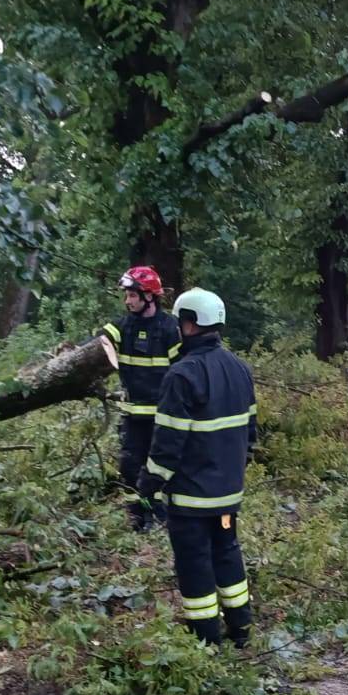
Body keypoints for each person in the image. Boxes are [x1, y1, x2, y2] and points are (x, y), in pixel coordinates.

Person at [137, 289, 258, 646]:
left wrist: (149, 482)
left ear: (190, 325)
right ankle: (241, 629)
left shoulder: (182, 374)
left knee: (195, 563)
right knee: (227, 553)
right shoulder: (240, 368)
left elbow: (168, 442)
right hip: (227, 494)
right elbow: (251, 433)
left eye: (180, 322)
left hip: (191, 497)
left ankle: (205, 639)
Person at [103, 266, 183, 530]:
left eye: (132, 295)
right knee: (129, 468)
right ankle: (136, 518)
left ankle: (159, 517)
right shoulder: (122, 327)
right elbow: (97, 344)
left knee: (159, 469)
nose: (127, 301)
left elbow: (183, 373)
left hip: (163, 418)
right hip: (133, 417)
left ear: (149, 296)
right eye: (126, 295)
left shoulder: (170, 329)